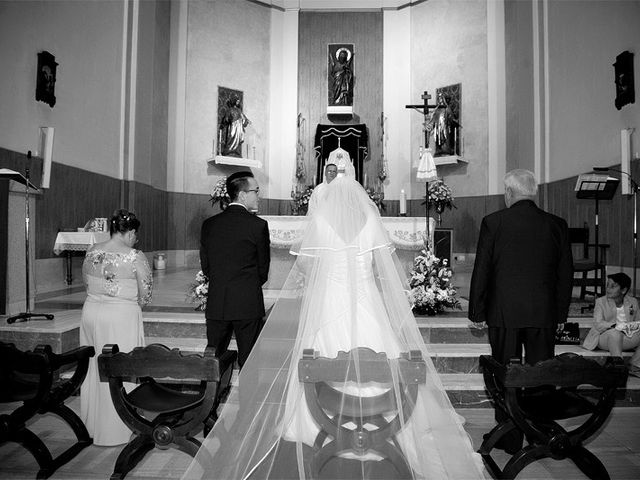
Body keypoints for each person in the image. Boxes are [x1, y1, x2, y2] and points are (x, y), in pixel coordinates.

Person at [183, 162, 485, 479]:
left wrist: (326, 277)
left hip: (329, 301)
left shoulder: (323, 220)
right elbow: (382, 268)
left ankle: (318, 423)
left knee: (318, 355)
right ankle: (386, 424)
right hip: (367, 302)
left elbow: (304, 267)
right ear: (358, 195)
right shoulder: (370, 219)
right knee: (384, 353)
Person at [468, 168, 573, 453]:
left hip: (504, 313)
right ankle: (541, 435)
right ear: (533, 193)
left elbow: (483, 270)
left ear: (509, 193)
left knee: (506, 373)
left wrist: (476, 312)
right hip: (543, 314)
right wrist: (560, 315)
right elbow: (566, 274)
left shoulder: (494, 222)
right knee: (541, 374)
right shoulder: (556, 224)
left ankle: (510, 437)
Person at [80, 209, 153, 446]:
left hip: (91, 312)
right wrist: (130, 303)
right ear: (130, 232)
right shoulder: (134, 256)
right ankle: (118, 428)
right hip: (120, 315)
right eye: (135, 234)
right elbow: (146, 294)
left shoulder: (92, 251)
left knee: (95, 367)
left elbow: (86, 282)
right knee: (123, 367)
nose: (136, 239)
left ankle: (92, 425)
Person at [200, 171, 270, 369]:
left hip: (218, 302)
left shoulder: (209, 225)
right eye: (256, 191)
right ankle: (247, 399)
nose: (259, 195)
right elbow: (263, 270)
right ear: (242, 195)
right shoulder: (258, 226)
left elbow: (206, 267)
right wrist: (245, 286)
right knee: (249, 361)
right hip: (248, 304)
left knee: (214, 361)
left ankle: (212, 398)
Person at [583, 272, 640, 376]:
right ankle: (618, 368)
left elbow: (638, 322)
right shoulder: (600, 302)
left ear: (623, 290)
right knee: (615, 333)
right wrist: (615, 326)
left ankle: (634, 365)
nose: (608, 289)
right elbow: (598, 324)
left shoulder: (633, 301)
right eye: (607, 285)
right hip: (604, 338)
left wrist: (631, 327)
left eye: (613, 286)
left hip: (626, 337)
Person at [426, 91, 459, 157]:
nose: (440, 99)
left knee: (445, 138)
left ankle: (446, 150)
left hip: (445, 127)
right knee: (438, 139)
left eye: (441, 98)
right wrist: (429, 125)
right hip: (438, 128)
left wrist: (450, 118)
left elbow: (451, 118)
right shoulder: (437, 110)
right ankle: (439, 151)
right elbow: (433, 119)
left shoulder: (447, 108)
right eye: (439, 98)